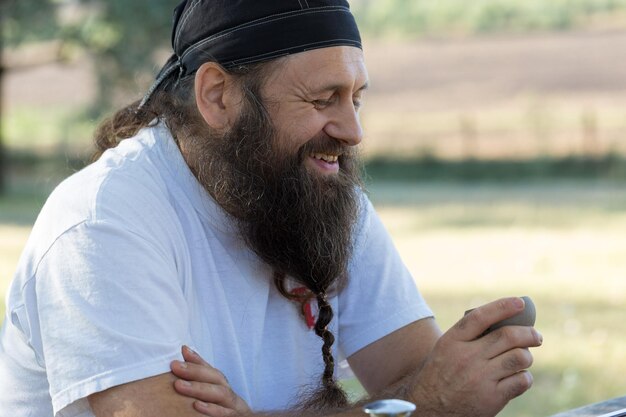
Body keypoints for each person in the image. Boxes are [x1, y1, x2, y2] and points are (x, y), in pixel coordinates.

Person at [0, 1, 543, 417]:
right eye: (321, 99)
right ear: (218, 97)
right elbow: (428, 397)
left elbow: (417, 373)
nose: (353, 131)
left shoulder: (324, 195)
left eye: (356, 98)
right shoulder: (102, 223)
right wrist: (424, 408)